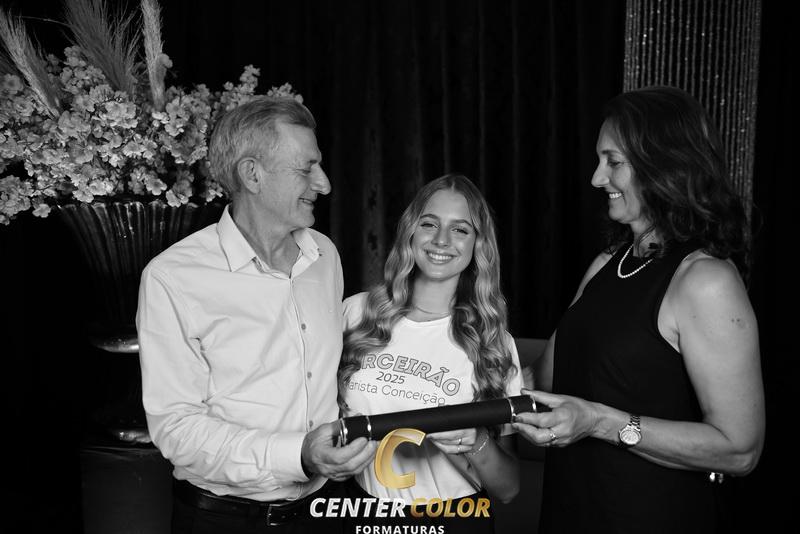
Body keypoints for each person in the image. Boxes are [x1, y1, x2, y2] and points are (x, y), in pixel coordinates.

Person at [513, 86, 765, 533]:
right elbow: (543, 380)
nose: (596, 178)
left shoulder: (705, 280)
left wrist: (600, 422)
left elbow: (739, 449)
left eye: (613, 162)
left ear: (663, 165)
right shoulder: (606, 264)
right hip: (569, 514)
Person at [137, 96, 376, 533]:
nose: (324, 184)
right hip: (224, 521)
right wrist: (296, 454)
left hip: (324, 510)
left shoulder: (324, 255)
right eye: (306, 168)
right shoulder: (173, 278)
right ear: (252, 174)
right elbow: (176, 428)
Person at [339, 174, 522, 533]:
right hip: (359, 510)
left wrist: (476, 441)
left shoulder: (493, 342)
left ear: (478, 244)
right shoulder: (357, 313)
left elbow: (509, 488)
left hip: (453, 519)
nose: (441, 240)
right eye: (429, 224)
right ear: (410, 230)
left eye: (460, 229)